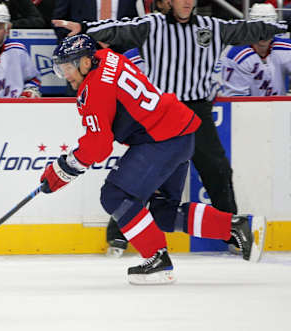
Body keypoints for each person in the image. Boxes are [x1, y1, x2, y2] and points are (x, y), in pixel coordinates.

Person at [52, 0, 289, 256]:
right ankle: (229, 226)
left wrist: (283, 24)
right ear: (167, 2)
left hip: (181, 118)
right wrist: (86, 29)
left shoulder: (212, 26)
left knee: (209, 172)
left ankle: (190, 246)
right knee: (156, 205)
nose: (187, 2)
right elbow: (120, 28)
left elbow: (245, 30)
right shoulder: (146, 29)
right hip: (165, 117)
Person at [40, 34, 266, 285]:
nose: (66, 75)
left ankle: (157, 260)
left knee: (114, 195)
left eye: (68, 67)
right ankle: (236, 226)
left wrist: (63, 169)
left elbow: (99, 145)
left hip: (161, 139)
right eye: (61, 69)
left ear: (84, 63)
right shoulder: (106, 57)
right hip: (179, 132)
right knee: (162, 211)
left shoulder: (93, 90)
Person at [220, 4, 291, 97]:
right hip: (247, 109)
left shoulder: (286, 48)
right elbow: (236, 101)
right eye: (259, 29)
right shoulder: (237, 56)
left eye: (269, 29)